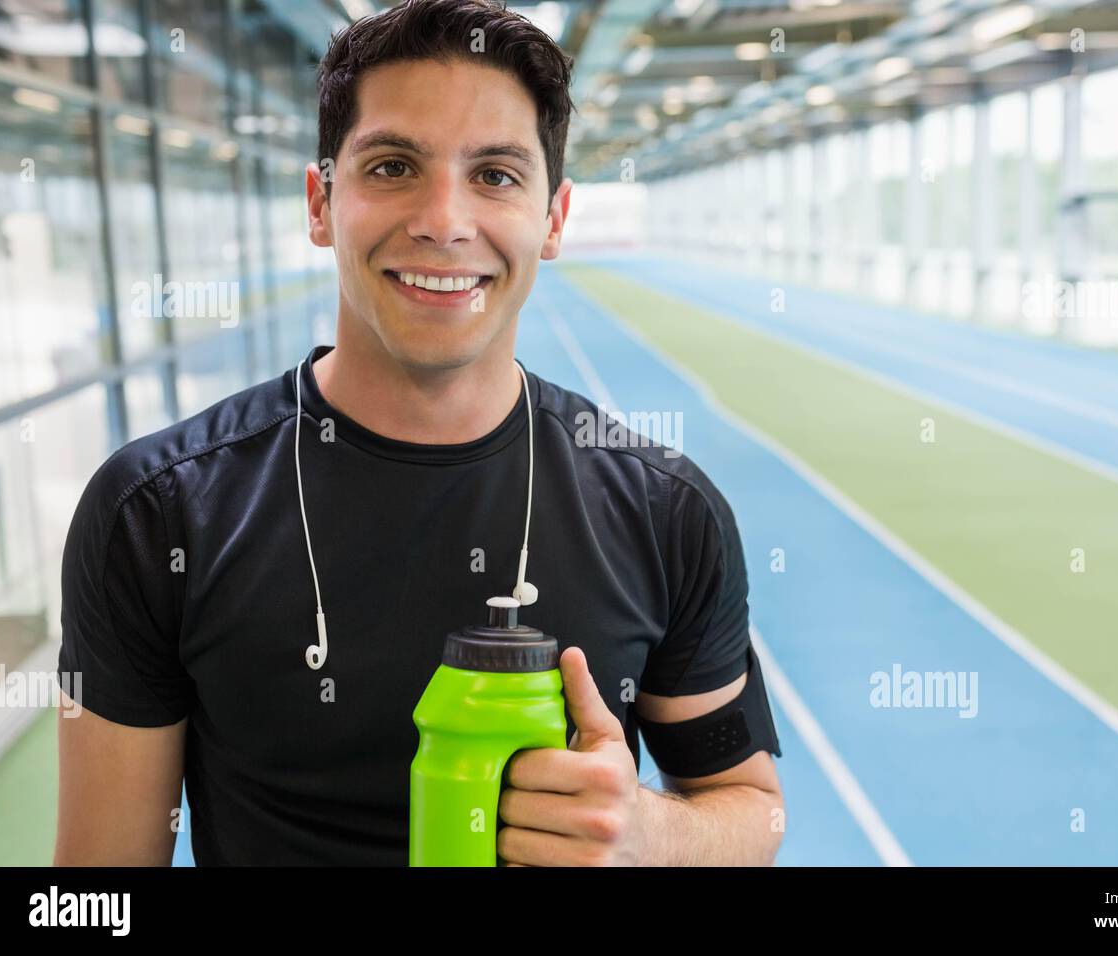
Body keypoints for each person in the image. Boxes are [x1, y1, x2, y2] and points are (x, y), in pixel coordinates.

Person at [54, 0, 782, 867]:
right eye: (394, 166)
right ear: (322, 202)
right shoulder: (157, 512)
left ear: (554, 220)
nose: (444, 220)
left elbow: (752, 813)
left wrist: (652, 833)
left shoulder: (669, 512)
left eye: (498, 176)